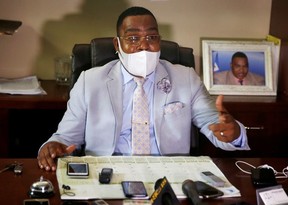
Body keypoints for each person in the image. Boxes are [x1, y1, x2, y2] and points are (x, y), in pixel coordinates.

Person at [37, 6, 250, 171]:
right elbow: (65, 138)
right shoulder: (89, 82)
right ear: (116, 45)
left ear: (159, 41)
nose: (144, 45)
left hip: (169, 174)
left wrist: (234, 133)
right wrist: (52, 146)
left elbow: (217, 128)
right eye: (132, 38)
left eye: (151, 37)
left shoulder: (186, 78)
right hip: (106, 173)